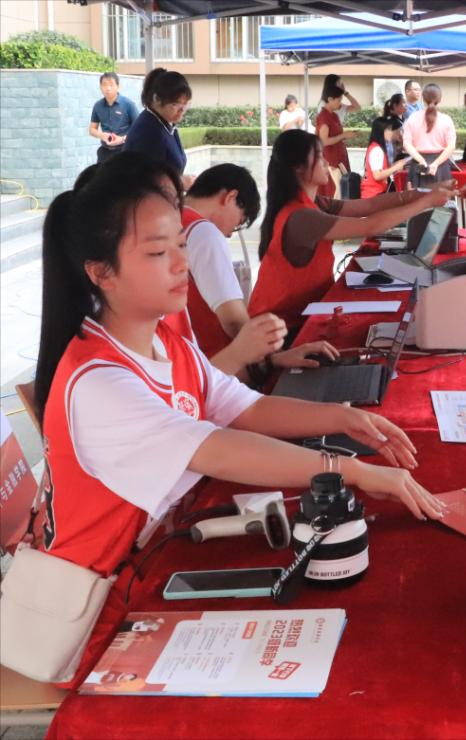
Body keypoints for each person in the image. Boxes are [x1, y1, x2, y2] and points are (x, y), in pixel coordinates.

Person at [35, 154, 444, 686]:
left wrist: (343, 419)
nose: (181, 265)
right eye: (158, 252)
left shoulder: (164, 341)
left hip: (154, 563)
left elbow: (245, 407)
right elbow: (219, 449)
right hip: (96, 614)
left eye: (181, 245)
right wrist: (350, 470)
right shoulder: (99, 383)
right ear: (100, 273)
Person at [249, 130, 452, 333]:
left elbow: (369, 206)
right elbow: (370, 225)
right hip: (280, 330)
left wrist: (423, 193)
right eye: (319, 156)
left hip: (300, 316)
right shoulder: (301, 217)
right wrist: (426, 202)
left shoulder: (314, 203)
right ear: (298, 168)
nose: (325, 161)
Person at [181, 163, 337, 382]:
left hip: (193, 367)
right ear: (230, 197)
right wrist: (273, 357)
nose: (229, 235)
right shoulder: (204, 233)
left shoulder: (170, 220)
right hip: (218, 370)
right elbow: (233, 320)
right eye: (239, 223)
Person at [123, 67, 192, 185]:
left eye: (185, 104)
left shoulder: (165, 123)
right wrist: (180, 182)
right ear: (157, 99)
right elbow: (145, 180)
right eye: (175, 104)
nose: (182, 110)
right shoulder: (147, 133)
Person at [402, 83, 457, 189]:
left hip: (418, 164)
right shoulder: (446, 120)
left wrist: (421, 160)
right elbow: (451, 146)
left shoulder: (413, 118)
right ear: (440, 99)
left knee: (416, 199)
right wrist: (435, 164)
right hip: (441, 167)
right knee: (441, 200)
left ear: (423, 98)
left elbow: (406, 144)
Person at [315, 82, 354, 198]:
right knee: (333, 192)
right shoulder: (324, 116)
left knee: (342, 190)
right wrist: (343, 136)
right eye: (339, 100)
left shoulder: (334, 115)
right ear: (330, 99)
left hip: (339, 157)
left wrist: (344, 136)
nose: (340, 103)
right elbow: (324, 141)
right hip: (330, 160)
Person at [89, 72, 138, 164]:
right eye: (104, 85)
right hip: (105, 151)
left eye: (111, 85)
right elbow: (92, 129)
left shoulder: (129, 104)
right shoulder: (98, 106)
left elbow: (139, 130)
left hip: (124, 150)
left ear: (118, 87)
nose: (108, 88)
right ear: (100, 87)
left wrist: (122, 139)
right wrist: (102, 135)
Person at [362, 117, 407, 199]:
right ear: (381, 131)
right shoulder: (377, 149)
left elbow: (380, 169)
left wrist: (394, 165)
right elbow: (377, 175)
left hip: (376, 193)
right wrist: (395, 167)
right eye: (389, 129)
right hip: (374, 195)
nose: (392, 132)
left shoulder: (376, 147)